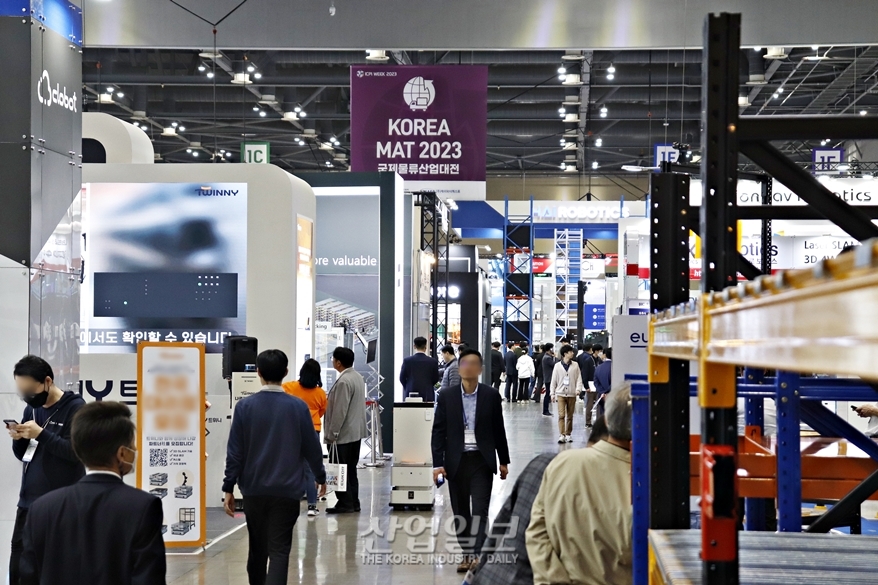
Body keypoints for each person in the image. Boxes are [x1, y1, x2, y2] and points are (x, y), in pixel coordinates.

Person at [19, 401, 165, 585]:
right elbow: (149, 578)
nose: (135, 450)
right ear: (122, 453)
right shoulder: (142, 506)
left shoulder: (41, 508)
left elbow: (28, 576)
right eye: (132, 445)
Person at [223, 349, 327, 585]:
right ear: (286, 372)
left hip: (254, 490)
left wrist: (229, 486)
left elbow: (235, 452)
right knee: (279, 552)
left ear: (258, 373)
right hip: (287, 490)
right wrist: (320, 476)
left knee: (257, 549)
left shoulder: (245, 407)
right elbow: (312, 447)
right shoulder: (298, 407)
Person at [470, 417, 609, 585]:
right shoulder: (602, 491)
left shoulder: (542, 464)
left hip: (494, 577)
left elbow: (501, 526)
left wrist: (478, 573)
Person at [526, 383, 633, 585]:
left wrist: (556, 580)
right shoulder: (647, 482)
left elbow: (537, 533)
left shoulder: (562, 464)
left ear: (607, 420)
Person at [431, 349, 510, 573]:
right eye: (464, 363)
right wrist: (438, 464)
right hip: (455, 461)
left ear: (480, 369)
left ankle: (477, 555)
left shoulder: (490, 395)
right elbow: (438, 432)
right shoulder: (446, 396)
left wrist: (503, 460)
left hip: (481, 460)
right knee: (461, 512)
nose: (468, 367)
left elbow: (498, 429)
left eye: (473, 364)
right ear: (459, 368)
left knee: (480, 511)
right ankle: (466, 554)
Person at [8, 355, 85, 585]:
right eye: (22, 392)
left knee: (57, 570)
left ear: (47, 381)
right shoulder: (31, 410)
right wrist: (19, 438)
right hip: (28, 504)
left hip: (61, 506)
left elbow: (76, 453)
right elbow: (24, 455)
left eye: (31, 391)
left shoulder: (76, 408)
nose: (28, 397)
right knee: (20, 570)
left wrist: (41, 434)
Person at [323, 346, 368, 514]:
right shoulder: (357, 377)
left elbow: (340, 411)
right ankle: (353, 502)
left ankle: (345, 503)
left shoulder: (343, 381)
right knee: (351, 469)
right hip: (355, 433)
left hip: (342, 435)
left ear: (339, 362)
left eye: (333, 359)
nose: (332, 362)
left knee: (340, 469)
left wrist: (332, 434)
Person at [282, 359, 328, 517]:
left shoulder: (289, 387)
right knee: (310, 470)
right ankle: (312, 506)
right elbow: (322, 411)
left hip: (292, 431)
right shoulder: (320, 393)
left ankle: (288, 504)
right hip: (313, 431)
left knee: (290, 468)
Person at [549, 345, 584, 444]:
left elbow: (579, 379)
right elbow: (553, 380)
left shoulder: (575, 365)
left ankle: (568, 434)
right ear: (565, 354)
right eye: (570, 352)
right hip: (560, 394)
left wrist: (578, 389)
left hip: (572, 394)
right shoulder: (557, 366)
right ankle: (562, 434)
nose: (572, 353)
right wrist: (552, 393)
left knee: (570, 415)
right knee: (561, 415)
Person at [399, 336, 441, 402]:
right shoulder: (433, 362)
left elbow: (402, 378)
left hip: (410, 393)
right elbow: (435, 378)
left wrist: (408, 386)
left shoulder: (407, 361)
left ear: (414, 346)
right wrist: (428, 384)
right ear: (425, 347)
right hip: (427, 394)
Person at [576, 344, 597, 426]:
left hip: (584, 379)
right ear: (591, 349)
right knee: (592, 401)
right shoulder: (589, 359)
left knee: (589, 402)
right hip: (591, 381)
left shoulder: (579, 356)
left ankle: (588, 421)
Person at [593, 348, 613, 420]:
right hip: (613, 395)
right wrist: (607, 392)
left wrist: (602, 392)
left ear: (605, 355)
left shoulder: (598, 368)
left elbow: (596, 382)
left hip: (601, 397)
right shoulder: (616, 368)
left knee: (603, 415)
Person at [540, 345, 557, 415]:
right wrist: (555, 357)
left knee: (548, 394)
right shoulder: (547, 358)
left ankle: (546, 410)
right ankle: (545, 410)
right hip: (549, 378)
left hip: (548, 378)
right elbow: (555, 365)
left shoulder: (547, 357)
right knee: (547, 394)